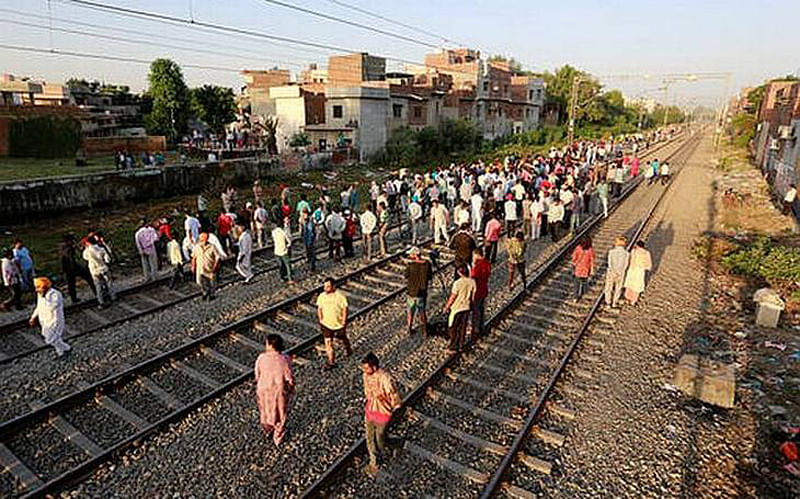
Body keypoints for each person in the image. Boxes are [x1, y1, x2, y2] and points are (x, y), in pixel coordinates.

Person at [361, 352, 402, 476]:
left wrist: (394, 406)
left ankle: (394, 445)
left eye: (366, 367)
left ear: (374, 367)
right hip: (370, 409)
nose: (364, 370)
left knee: (380, 437)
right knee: (369, 437)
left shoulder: (385, 378)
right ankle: (374, 463)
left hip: (383, 412)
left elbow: (393, 394)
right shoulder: (365, 375)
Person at [254, 334, 295, 446]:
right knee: (280, 412)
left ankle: (267, 428)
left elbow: (257, 375)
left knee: (265, 410)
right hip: (278, 391)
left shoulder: (261, 358)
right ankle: (277, 436)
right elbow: (289, 377)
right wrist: (291, 388)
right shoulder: (285, 359)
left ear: (271, 346)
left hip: (263, 389)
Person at [29, 277, 70, 358]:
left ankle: (67, 348)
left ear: (45, 287)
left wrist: (45, 298)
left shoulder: (55, 294)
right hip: (44, 321)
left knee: (51, 339)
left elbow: (53, 306)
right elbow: (39, 306)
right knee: (50, 336)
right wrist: (33, 317)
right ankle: (61, 353)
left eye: (38, 287)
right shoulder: (40, 295)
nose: (37, 290)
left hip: (54, 320)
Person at [316, 277, 351, 370]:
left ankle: (348, 348)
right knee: (328, 343)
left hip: (338, 323)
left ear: (333, 286)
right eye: (324, 286)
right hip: (326, 324)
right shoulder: (321, 296)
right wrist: (320, 318)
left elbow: (344, 308)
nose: (325, 288)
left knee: (342, 337)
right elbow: (319, 308)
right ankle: (331, 361)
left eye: (328, 286)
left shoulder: (340, 296)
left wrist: (344, 320)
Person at [443, 264, 475, 352]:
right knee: (463, 326)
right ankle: (461, 344)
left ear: (459, 273)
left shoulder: (457, 283)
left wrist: (446, 307)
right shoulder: (472, 282)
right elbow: (473, 296)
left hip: (456, 308)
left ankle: (453, 344)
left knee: (452, 326)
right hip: (466, 307)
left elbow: (453, 297)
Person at [59, 234, 96, 304]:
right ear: (69, 241)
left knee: (71, 285)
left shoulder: (62, 247)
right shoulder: (69, 249)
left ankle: (74, 298)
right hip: (73, 268)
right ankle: (96, 292)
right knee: (88, 277)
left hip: (67, 269)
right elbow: (71, 259)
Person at [405, 246, 432, 336]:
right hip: (422, 292)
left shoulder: (410, 265)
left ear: (415, 255)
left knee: (410, 311)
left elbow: (406, 275)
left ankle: (409, 328)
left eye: (411, 254)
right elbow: (429, 277)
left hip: (411, 292)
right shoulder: (427, 264)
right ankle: (424, 331)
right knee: (422, 312)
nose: (409, 255)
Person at [83, 236, 115, 307]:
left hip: (94, 271)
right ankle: (113, 297)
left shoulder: (87, 251)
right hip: (103, 268)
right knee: (109, 283)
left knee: (98, 286)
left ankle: (101, 301)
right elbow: (108, 260)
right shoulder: (101, 249)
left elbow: (85, 257)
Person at [192, 232, 222, 301]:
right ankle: (205, 292)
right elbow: (194, 257)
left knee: (211, 282)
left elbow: (217, 257)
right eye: (201, 239)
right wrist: (193, 266)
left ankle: (211, 294)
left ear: (207, 239)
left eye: (203, 239)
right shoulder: (197, 247)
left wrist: (215, 266)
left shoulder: (212, 246)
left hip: (210, 267)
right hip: (200, 268)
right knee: (200, 281)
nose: (201, 241)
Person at [470, 247, 491, 337]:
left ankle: (475, 329)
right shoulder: (487, 263)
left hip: (477, 292)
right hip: (484, 289)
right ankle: (481, 326)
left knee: (476, 311)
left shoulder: (477, 266)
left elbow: (472, 279)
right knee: (481, 310)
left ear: (476, 255)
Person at [624, 240, 652, 305]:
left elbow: (630, 260)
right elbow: (648, 263)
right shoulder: (646, 253)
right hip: (640, 270)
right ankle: (633, 300)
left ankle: (628, 298)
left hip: (632, 269)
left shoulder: (634, 251)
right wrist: (647, 268)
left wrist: (627, 267)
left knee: (630, 284)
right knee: (637, 284)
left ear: (637, 245)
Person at [604, 236, 629, 308]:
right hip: (621, 273)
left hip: (611, 272)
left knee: (608, 287)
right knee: (618, 288)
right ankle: (614, 302)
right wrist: (620, 272)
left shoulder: (611, 252)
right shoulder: (626, 253)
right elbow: (625, 265)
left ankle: (608, 303)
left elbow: (610, 263)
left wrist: (613, 271)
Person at [571, 236, 595, 302]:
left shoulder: (578, 248)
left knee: (576, 284)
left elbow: (573, 258)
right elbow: (592, 261)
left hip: (578, 269)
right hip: (586, 269)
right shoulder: (590, 250)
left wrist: (574, 264)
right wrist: (592, 270)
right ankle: (583, 291)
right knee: (584, 282)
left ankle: (575, 297)